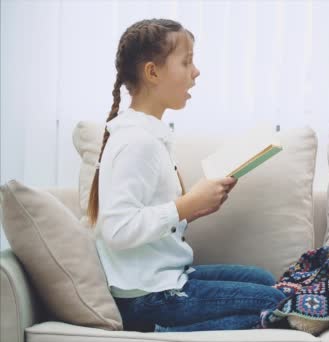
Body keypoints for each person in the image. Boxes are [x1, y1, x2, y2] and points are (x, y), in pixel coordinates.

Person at [87, 18, 285, 333]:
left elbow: (148, 216)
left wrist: (193, 207)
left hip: (167, 277)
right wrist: (184, 206)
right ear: (152, 72)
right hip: (149, 295)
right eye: (186, 62)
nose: (196, 72)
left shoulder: (149, 134)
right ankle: (159, 332)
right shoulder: (136, 142)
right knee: (277, 305)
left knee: (263, 280)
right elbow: (117, 229)